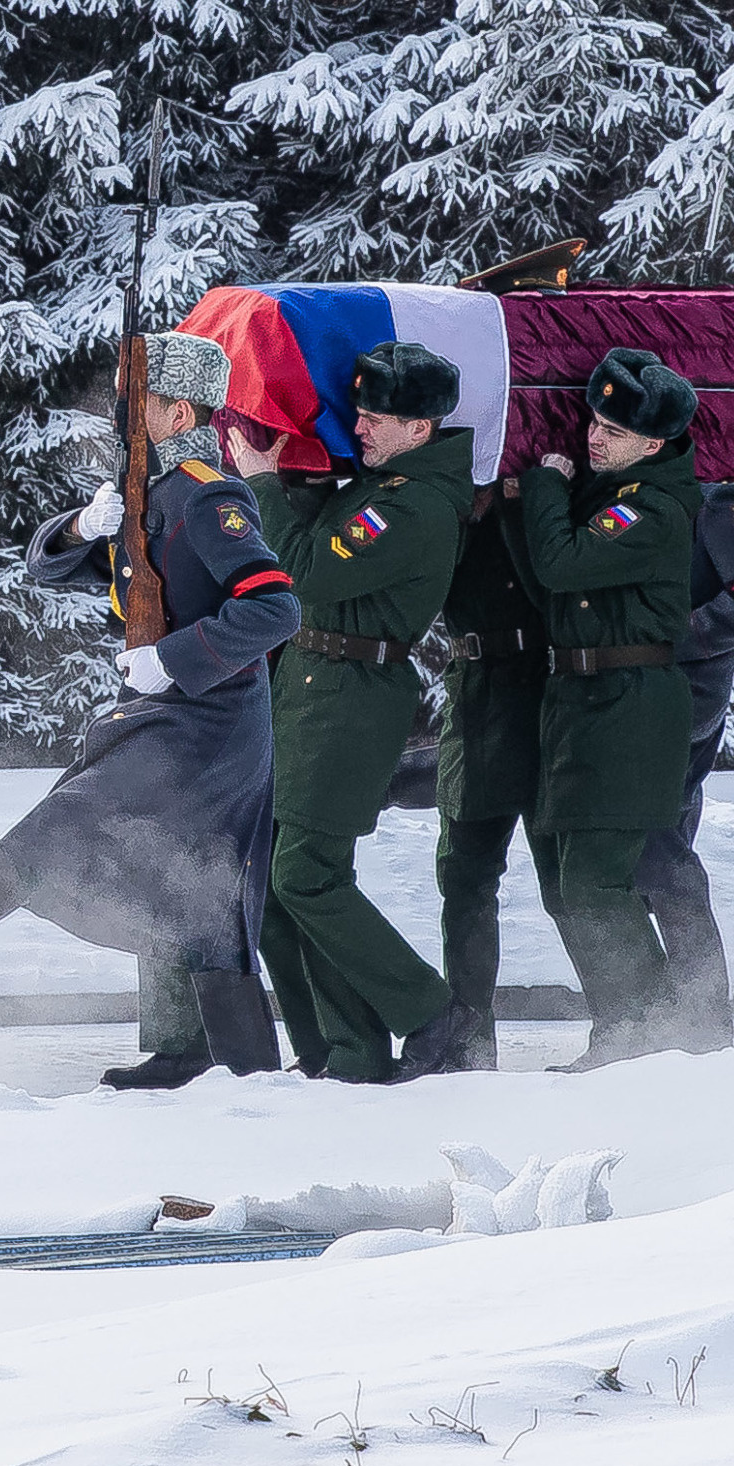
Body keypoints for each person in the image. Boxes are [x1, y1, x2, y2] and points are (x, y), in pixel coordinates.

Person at [0, 333, 298, 1089]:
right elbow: (45, 566)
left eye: (137, 407)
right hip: (155, 720)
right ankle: (222, 1062)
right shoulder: (151, 495)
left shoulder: (208, 495)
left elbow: (273, 610)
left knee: (56, 839)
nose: (121, 419)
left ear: (178, 413)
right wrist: (80, 528)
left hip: (207, 727)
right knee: (197, 884)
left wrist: (174, 657)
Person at [229, 339, 482, 1084]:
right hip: (312, 683)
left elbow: (303, 568)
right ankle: (341, 1050)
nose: (362, 427)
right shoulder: (381, 484)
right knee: (279, 883)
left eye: (378, 417)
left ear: (421, 428)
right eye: (361, 414)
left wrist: (266, 485)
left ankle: (433, 1015)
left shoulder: (413, 505)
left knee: (307, 873)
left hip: (349, 696)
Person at [511, 347, 707, 1070]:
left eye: (613, 433)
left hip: (628, 708)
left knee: (595, 882)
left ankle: (649, 1035)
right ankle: (630, 1031)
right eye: (592, 422)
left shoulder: (648, 505)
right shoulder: (610, 491)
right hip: (581, 701)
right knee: (568, 886)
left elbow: (561, 564)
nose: (593, 439)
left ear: (653, 444)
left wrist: (539, 484)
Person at [628, 477, 734, 1051]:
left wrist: (662, 639)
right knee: (652, 852)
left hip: (684, 693)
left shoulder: (723, 503)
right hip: (644, 695)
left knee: (661, 850)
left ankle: (702, 1018)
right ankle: (689, 1016)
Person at [428, 485, 549, 1072]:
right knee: (465, 877)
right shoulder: (443, 508)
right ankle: (468, 1043)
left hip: (550, 694)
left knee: (568, 881)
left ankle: (628, 1026)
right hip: (475, 696)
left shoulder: (544, 499)